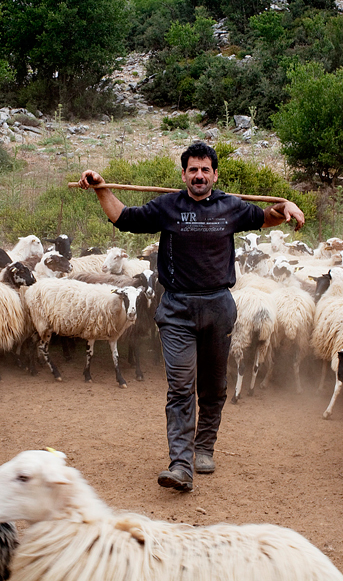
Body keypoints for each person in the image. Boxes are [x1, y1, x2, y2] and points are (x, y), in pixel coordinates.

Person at [77, 142, 304, 492]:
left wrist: (285, 205)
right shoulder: (168, 206)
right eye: (192, 170)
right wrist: (101, 189)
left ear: (214, 174)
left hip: (218, 307)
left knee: (214, 386)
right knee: (181, 386)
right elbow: (124, 217)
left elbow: (267, 217)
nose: (199, 175)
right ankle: (180, 464)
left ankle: (204, 447)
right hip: (177, 308)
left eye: (205, 169)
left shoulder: (231, 206)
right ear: (183, 174)